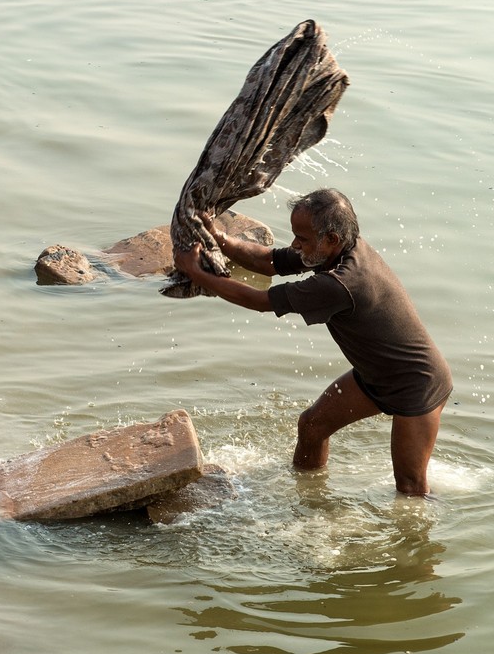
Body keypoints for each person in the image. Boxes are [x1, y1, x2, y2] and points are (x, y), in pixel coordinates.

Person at [174, 188, 452, 496]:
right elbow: (269, 261)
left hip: (417, 384)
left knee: (410, 488)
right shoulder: (336, 249)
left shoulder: (342, 282)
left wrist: (196, 273)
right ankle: (309, 499)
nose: (295, 245)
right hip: (377, 376)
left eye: (301, 239)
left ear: (330, 239)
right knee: (312, 426)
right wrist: (218, 237)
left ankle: (418, 537)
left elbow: (260, 300)